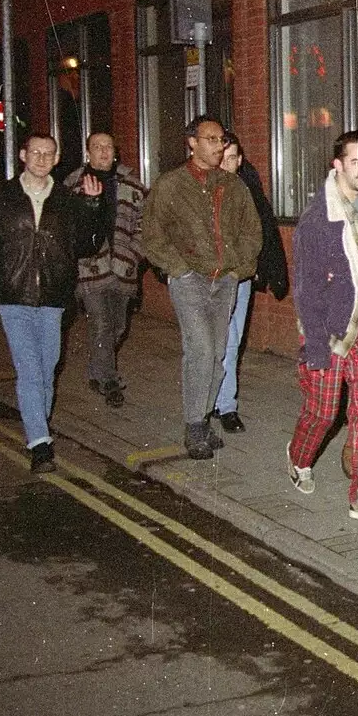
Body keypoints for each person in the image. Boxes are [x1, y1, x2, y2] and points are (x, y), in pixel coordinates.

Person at [0, 134, 105, 472]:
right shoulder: (2, 196)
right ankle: (40, 443)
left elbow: (87, 246)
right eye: (36, 152)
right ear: (23, 155)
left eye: (49, 153)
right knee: (29, 368)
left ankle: (36, 422)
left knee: (47, 367)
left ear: (56, 159)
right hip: (13, 295)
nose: (42, 159)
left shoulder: (67, 200)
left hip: (54, 296)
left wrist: (92, 207)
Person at [287, 129, 358, 524]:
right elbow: (306, 291)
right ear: (337, 165)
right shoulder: (318, 221)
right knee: (323, 412)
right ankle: (299, 458)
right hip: (329, 331)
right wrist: (315, 343)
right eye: (356, 163)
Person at [142, 116, 262, 460]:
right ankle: (195, 424)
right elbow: (153, 234)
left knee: (218, 353)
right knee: (201, 349)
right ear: (191, 143)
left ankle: (204, 416)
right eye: (210, 139)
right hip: (190, 280)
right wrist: (178, 270)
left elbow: (252, 231)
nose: (218, 146)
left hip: (224, 280)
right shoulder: (171, 185)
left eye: (221, 140)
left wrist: (237, 269)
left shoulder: (233, 186)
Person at [214, 132, 290, 434]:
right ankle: (205, 404)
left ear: (240, 159)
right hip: (207, 280)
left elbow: (266, 228)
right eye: (222, 157)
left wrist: (273, 271)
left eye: (232, 158)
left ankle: (226, 405)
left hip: (239, 276)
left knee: (232, 341)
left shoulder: (248, 187)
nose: (227, 164)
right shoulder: (201, 187)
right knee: (210, 344)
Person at [63, 132, 146, 408]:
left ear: (115, 151)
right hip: (89, 267)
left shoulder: (131, 182)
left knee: (118, 326)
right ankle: (110, 381)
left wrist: (136, 252)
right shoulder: (73, 184)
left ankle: (96, 372)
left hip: (123, 266)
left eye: (108, 147)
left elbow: (145, 223)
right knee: (101, 323)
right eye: (97, 147)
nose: (103, 152)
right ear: (88, 152)